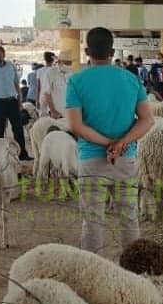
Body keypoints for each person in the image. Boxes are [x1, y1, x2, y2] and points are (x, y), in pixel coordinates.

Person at [66, 27, 154, 255]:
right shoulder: (131, 79)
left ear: (87, 51)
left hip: (91, 161)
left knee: (93, 221)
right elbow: (147, 120)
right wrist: (120, 144)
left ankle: (93, 277)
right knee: (129, 219)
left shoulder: (76, 81)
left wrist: (107, 144)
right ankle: (134, 275)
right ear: (112, 51)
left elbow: (76, 126)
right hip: (125, 160)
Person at [0, 45, 31, 161]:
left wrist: (20, 101)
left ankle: (22, 154)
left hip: (12, 101)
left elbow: (16, 85)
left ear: (4, 55)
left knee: (18, 129)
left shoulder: (11, 67)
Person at [38, 50, 74, 119]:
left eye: (70, 63)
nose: (69, 65)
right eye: (67, 63)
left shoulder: (72, 73)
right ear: (60, 62)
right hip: (56, 114)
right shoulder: (51, 73)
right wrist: (53, 111)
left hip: (69, 113)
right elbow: (46, 93)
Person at [35, 51, 56, 116]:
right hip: (53, 97)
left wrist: (37, 100)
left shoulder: (39, 71)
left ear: (45, 59)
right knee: (53, 117)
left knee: (43, 118)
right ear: (53, 60)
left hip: (42, 96)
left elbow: (38, 87)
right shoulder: (55, 70)